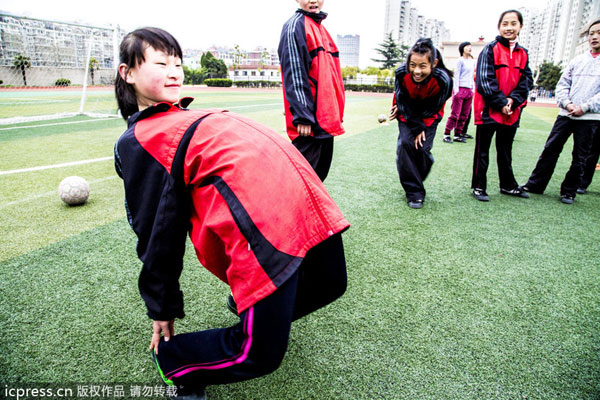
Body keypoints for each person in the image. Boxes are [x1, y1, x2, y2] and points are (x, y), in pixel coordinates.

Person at [113, 27, 350, 400]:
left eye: (178, 63)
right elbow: (157, 233)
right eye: (161, 63)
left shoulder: (182, 117)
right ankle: (176, 361)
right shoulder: (141, 140)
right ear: (127, 73)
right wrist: (162, 307)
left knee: (330, 282)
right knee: (256, 354)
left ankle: (251, 310)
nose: (175, 71)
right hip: (266, 217)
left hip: (304, 197)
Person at [520, 19, 600, 204]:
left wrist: (584, 107)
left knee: (580, 155)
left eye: (599, 33)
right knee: (550, 149)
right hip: (566, 114)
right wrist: (568, 103)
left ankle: (569, 191)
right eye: (592, 33)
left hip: (589, 118)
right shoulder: (577, 60)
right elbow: (563, 84)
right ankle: (535, 184)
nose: (594, 37)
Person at [278, 0, 345, 181]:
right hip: (309, 123)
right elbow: (294, 73)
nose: (313, 0)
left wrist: (336, 114)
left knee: (317, 180)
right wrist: (303, 116)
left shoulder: (321, 28)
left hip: (326, 122)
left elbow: (331, 78)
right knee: (301, 182)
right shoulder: (295, 27)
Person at [471, 10, 533, 202]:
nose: (509, 27)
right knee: (482, 151)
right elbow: (484, 80)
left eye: (513, 23)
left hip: (511, 112)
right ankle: (479, 186)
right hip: (488, 110)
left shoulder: (523, 53)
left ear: (520, 27)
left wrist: (513, 101)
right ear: (499, 27)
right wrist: (500, 102)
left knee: (505, 150)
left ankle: (507, 185)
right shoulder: (490, 49)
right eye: (505, 23)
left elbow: (526, 80)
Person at [390, 38, 453, 209]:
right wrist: (413, 123)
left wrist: (420, 127)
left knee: (422, 149)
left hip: (429, 115)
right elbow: (402, 100)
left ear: (434, 63)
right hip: (406, 112)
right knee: (405, 146)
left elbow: (435, 106)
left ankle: (421, 165)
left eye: (422, 66)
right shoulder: (401, 72)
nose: (416, 71)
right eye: (412, 65)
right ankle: (415, 193)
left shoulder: (443, 80)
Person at [443, 41, 475, 144]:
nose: (469, 48)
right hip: (460, 89)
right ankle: (447, 134)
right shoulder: (460, 61)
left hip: (469, 90)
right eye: (467, 47)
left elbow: (471, 76)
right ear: (462, 49)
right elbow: (456, 76)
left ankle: (457, 134)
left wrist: (472, 89)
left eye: (470, 46)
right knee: (455, 114)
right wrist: (456, 90)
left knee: (464, 115)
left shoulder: (472, 61)